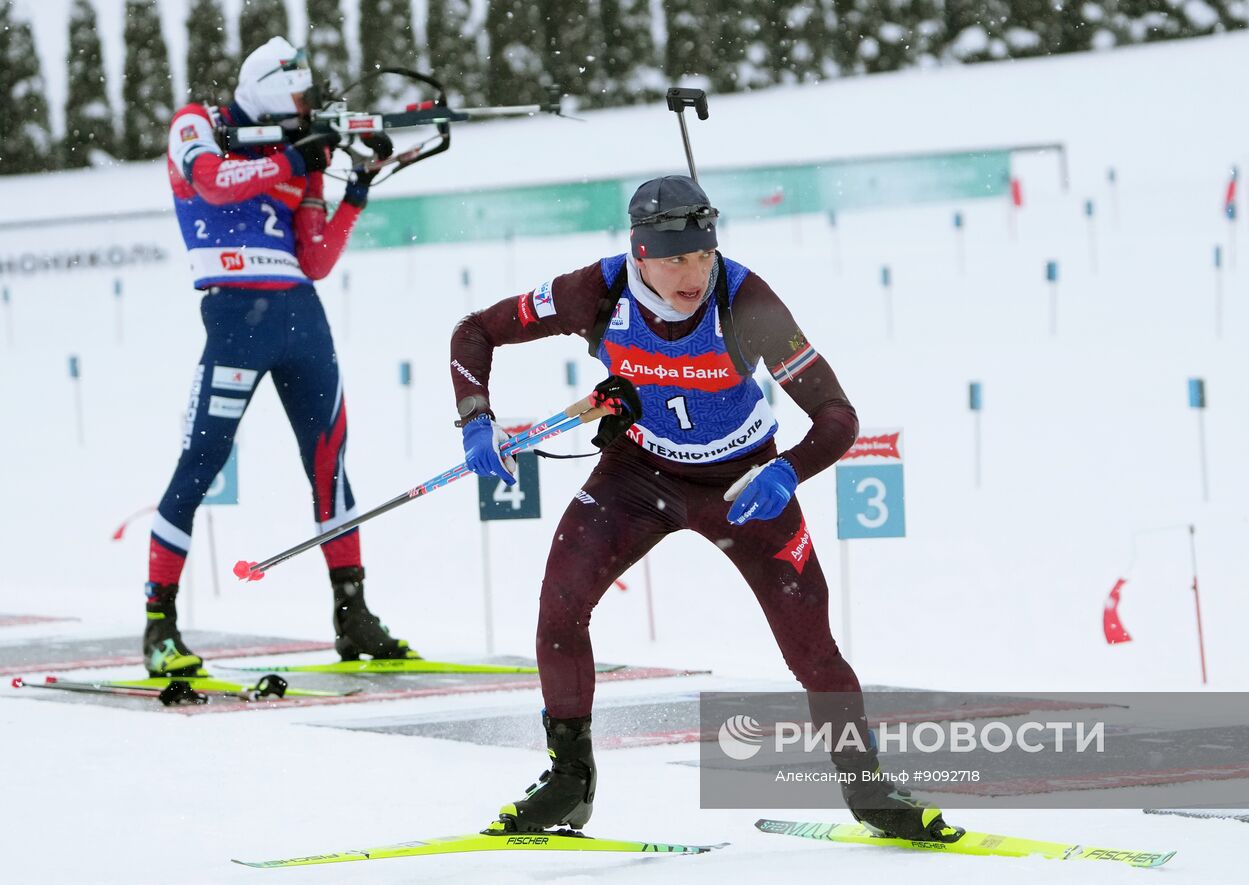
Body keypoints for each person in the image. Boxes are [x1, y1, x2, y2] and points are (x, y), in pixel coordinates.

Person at [448, 175, 962, 841]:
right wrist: (474, 418)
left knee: (812, 648)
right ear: (639, 254)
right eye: (673, 259)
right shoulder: (595, 291)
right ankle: (568, 782)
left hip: (744, 486)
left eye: (701, 255)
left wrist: (788, 469)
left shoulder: (744, 299)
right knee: (559, 607)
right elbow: (474, 332)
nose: (692, 273)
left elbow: (837, 416)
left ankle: (870, 792)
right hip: (636, 474)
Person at [144, 36, 417, 675]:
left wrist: (356, 189)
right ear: (268, 86)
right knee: (201, 461)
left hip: (302, 320)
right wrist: (291, 156)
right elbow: (211, 184)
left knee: (330, 466)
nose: (304, 105)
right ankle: (159, 622)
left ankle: (353, 615)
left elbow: (315, 257)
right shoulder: (200, 125)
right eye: (295, 93)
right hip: (237, 318)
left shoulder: (305, 155)